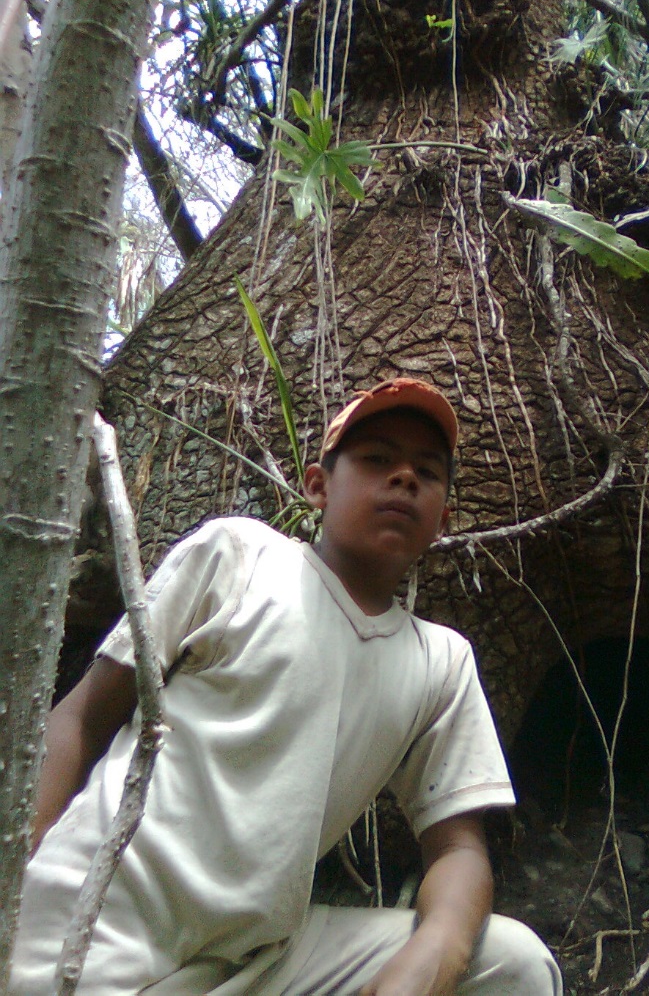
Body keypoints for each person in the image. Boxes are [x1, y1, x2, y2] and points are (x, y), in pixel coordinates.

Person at [12, 377, 563, 995]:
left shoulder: (440, 661)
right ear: (318, 485)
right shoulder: (238, 556)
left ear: (443, 519)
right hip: (91, 920)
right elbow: (84, 718)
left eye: (427, 472)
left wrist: (433, 954)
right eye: (377, 459)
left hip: (259, 961)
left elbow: (459, 848)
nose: (404, 477)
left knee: (513, 967)